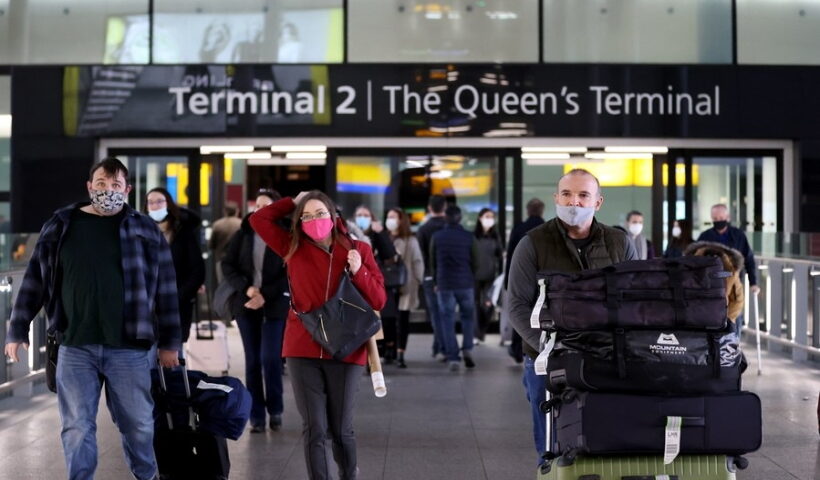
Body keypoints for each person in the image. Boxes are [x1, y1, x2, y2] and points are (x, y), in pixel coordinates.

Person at [4, 157, 180, 480]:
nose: (108, 191)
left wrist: (170, 343)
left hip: (130, 347)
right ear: (89, 187)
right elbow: (34, 279)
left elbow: (166, 290)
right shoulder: (61, 225)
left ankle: (148, 476)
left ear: (127, 190)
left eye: (115, 186)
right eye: (101, 184)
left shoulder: (144, 229)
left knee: (138, 425)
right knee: (76, 428)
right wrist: (17, 328)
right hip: (75, 346)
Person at [249, 190, 386, 480]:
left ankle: (349, 474)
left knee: (341, 428)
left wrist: (359, 271)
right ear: (298, 221)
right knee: (314, 428)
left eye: (320, 213)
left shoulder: (358, 249)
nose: (314, 220)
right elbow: (259, 219)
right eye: (306, 216)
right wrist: (292, 201)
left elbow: (379, 300)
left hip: (348, 347)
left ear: (335, 216)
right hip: (302, 346)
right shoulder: (291, 245)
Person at [507, 169, 636, 465]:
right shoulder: (532, 244)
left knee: (603, 438)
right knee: (552, 444)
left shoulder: (619, 243)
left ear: (598, 202)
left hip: (603, 356)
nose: (573, 203)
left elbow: (635, 299)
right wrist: (551, 348)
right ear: (556, 198)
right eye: (566, 194)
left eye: (582, 195)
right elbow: (516, 306)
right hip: (547, 358)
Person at [221, 189, 289, 433]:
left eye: (265, 205)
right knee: (252, 362)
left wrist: (265, 295)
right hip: (246, 304)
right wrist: (248, 289)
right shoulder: (245, 232)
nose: (259, 209)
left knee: (270, 359)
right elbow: (227, 264)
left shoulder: (284, 234)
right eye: (256, 204)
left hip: (274, 305)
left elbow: (290, 272)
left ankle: (276, 409)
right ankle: (256, 416)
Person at [143, 187, 206, 343]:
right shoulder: (141, 231)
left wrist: (180, 295)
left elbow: (197, 269)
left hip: (177, 303)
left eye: (159, 202)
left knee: (173, 354)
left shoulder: (182, 232)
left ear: (168, 204)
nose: (155, 206)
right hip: (147, 304)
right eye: (150, 202)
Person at [696, 203, 760, 335]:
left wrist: (753, 282)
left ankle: (733, 344)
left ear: (728, 217)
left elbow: (748, 258)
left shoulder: (738, 235)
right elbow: (696, 260)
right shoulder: (705, 237)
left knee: (734, 313)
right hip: (711, 284)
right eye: (715, 218)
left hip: (734, 283)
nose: (718, 221)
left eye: (721, 217)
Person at [430, 205, 479, 371]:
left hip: (444, 284)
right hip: (465, 284)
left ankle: (453, 357)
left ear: (446, 218)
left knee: (447, 320)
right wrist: (471, 277)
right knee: (467, 317)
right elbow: (476, 261)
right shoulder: (468, 237)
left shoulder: (437, 237)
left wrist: (436, 281)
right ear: (460, 218)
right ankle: (467, 348)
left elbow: (432, 262)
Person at [354, 205, 398, 362]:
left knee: (379, 317)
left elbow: (389, 254)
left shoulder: (376, 235)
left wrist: (381, 234)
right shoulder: (349, 234)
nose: (362, 218)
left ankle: (378, 350)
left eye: (366, 215)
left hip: (373, 281)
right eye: (359, 214)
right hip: (354, 283)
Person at [504, 198, 546, 362]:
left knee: (521, 311)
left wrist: (509, 280)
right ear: (542, 211)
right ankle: (539, 346)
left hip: (522, 277)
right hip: (543, 279)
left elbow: (511, 258)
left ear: (527, 210)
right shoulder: (548, 229)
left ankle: (517, 349)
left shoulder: (519, 229)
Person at [385, 207, 424, 368]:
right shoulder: (384, 238)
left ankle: (400, 352)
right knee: (388, 319)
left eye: (394, 217)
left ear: (401, 220)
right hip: (386, 284)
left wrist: (418, 280)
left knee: (402, 320)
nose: (390, 220)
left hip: (405, 286)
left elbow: (417, 262)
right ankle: (389, 349)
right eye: (388, 217)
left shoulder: (410, 240)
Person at [416, 194, 448, 360]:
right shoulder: (449, 227)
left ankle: (442, 347)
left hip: (429, 276)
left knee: (435, 314)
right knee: (445, 314)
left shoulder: (423, 229)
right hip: (447, 277)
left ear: (429, 208)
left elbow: (421, 255)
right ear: (445, 207)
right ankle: (438, 346)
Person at [684, 241, 745, 323]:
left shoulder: (688, 267)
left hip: (692, 321)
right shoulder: (729, 270)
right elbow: (737, 301)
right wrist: (724, 320)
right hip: (721, 321)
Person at [473, 207, 504, 343]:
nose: (489, 219)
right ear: (480, 218)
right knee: (475, 305)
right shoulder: (473, 236)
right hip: (474, 275)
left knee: (488, 304)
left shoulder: (495, 236)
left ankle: (482, 331)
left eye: (491, 217)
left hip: (491, 275)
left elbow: (500, 254)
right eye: (486, 216)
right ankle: (476, 334)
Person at [210, 201, 242, 283]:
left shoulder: (217, 225)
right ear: (237, 211)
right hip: (238, 261)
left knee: (222, 286)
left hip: (221, 260)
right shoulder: (241, 224)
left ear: (225, 211)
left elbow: (211, 245)